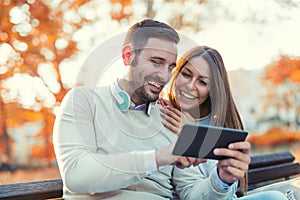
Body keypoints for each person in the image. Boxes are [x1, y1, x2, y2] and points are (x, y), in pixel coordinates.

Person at [53, 19, 207, 199]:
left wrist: (222, 181)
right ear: (128, 56)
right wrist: (157, 158)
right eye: (156, 62)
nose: (165, 76)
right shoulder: (83, 101)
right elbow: (77, 175)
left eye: (171, 67)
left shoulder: (170, 117)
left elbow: (191, 190)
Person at [159, 46, 288, 199]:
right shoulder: (164, 116)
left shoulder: (221, 124)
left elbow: (226, 192)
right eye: (186, 74)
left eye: (202, 82)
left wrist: (192, 133)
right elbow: (189, 188)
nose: (190, 85)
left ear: (213, 89)